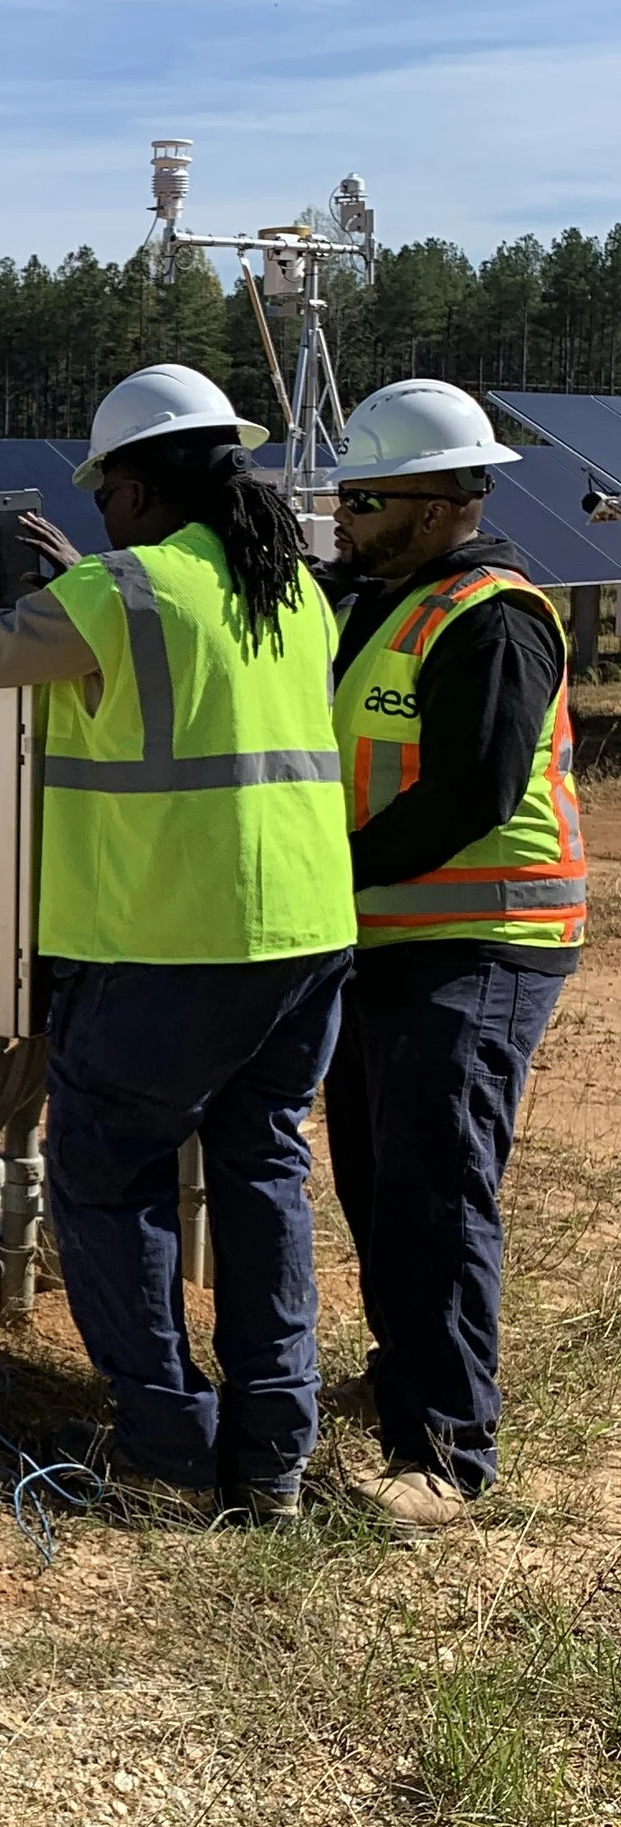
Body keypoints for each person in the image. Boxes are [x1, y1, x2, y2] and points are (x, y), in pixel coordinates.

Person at [0, 364, 357, 1518]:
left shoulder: (124, 589)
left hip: (167, 942)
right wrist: (82, 587)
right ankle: (270, 1460)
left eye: (106, 492)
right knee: (261, 1175)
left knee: (109, 1182)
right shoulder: (288, 588)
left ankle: (161, 1452)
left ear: (143, 493)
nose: (99, 514)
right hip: (303, 935)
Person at [321, 381, 584, 1529]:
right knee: (374, 1176)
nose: (341, 511)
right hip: (386, 933)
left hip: (484, 931)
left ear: (435, 506)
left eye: (364, 494)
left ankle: (444, 1454)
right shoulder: (378, 598)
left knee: (432, 1184)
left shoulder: (493, 614)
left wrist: (333, 872)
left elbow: (472, 790)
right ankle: (407, 1383)